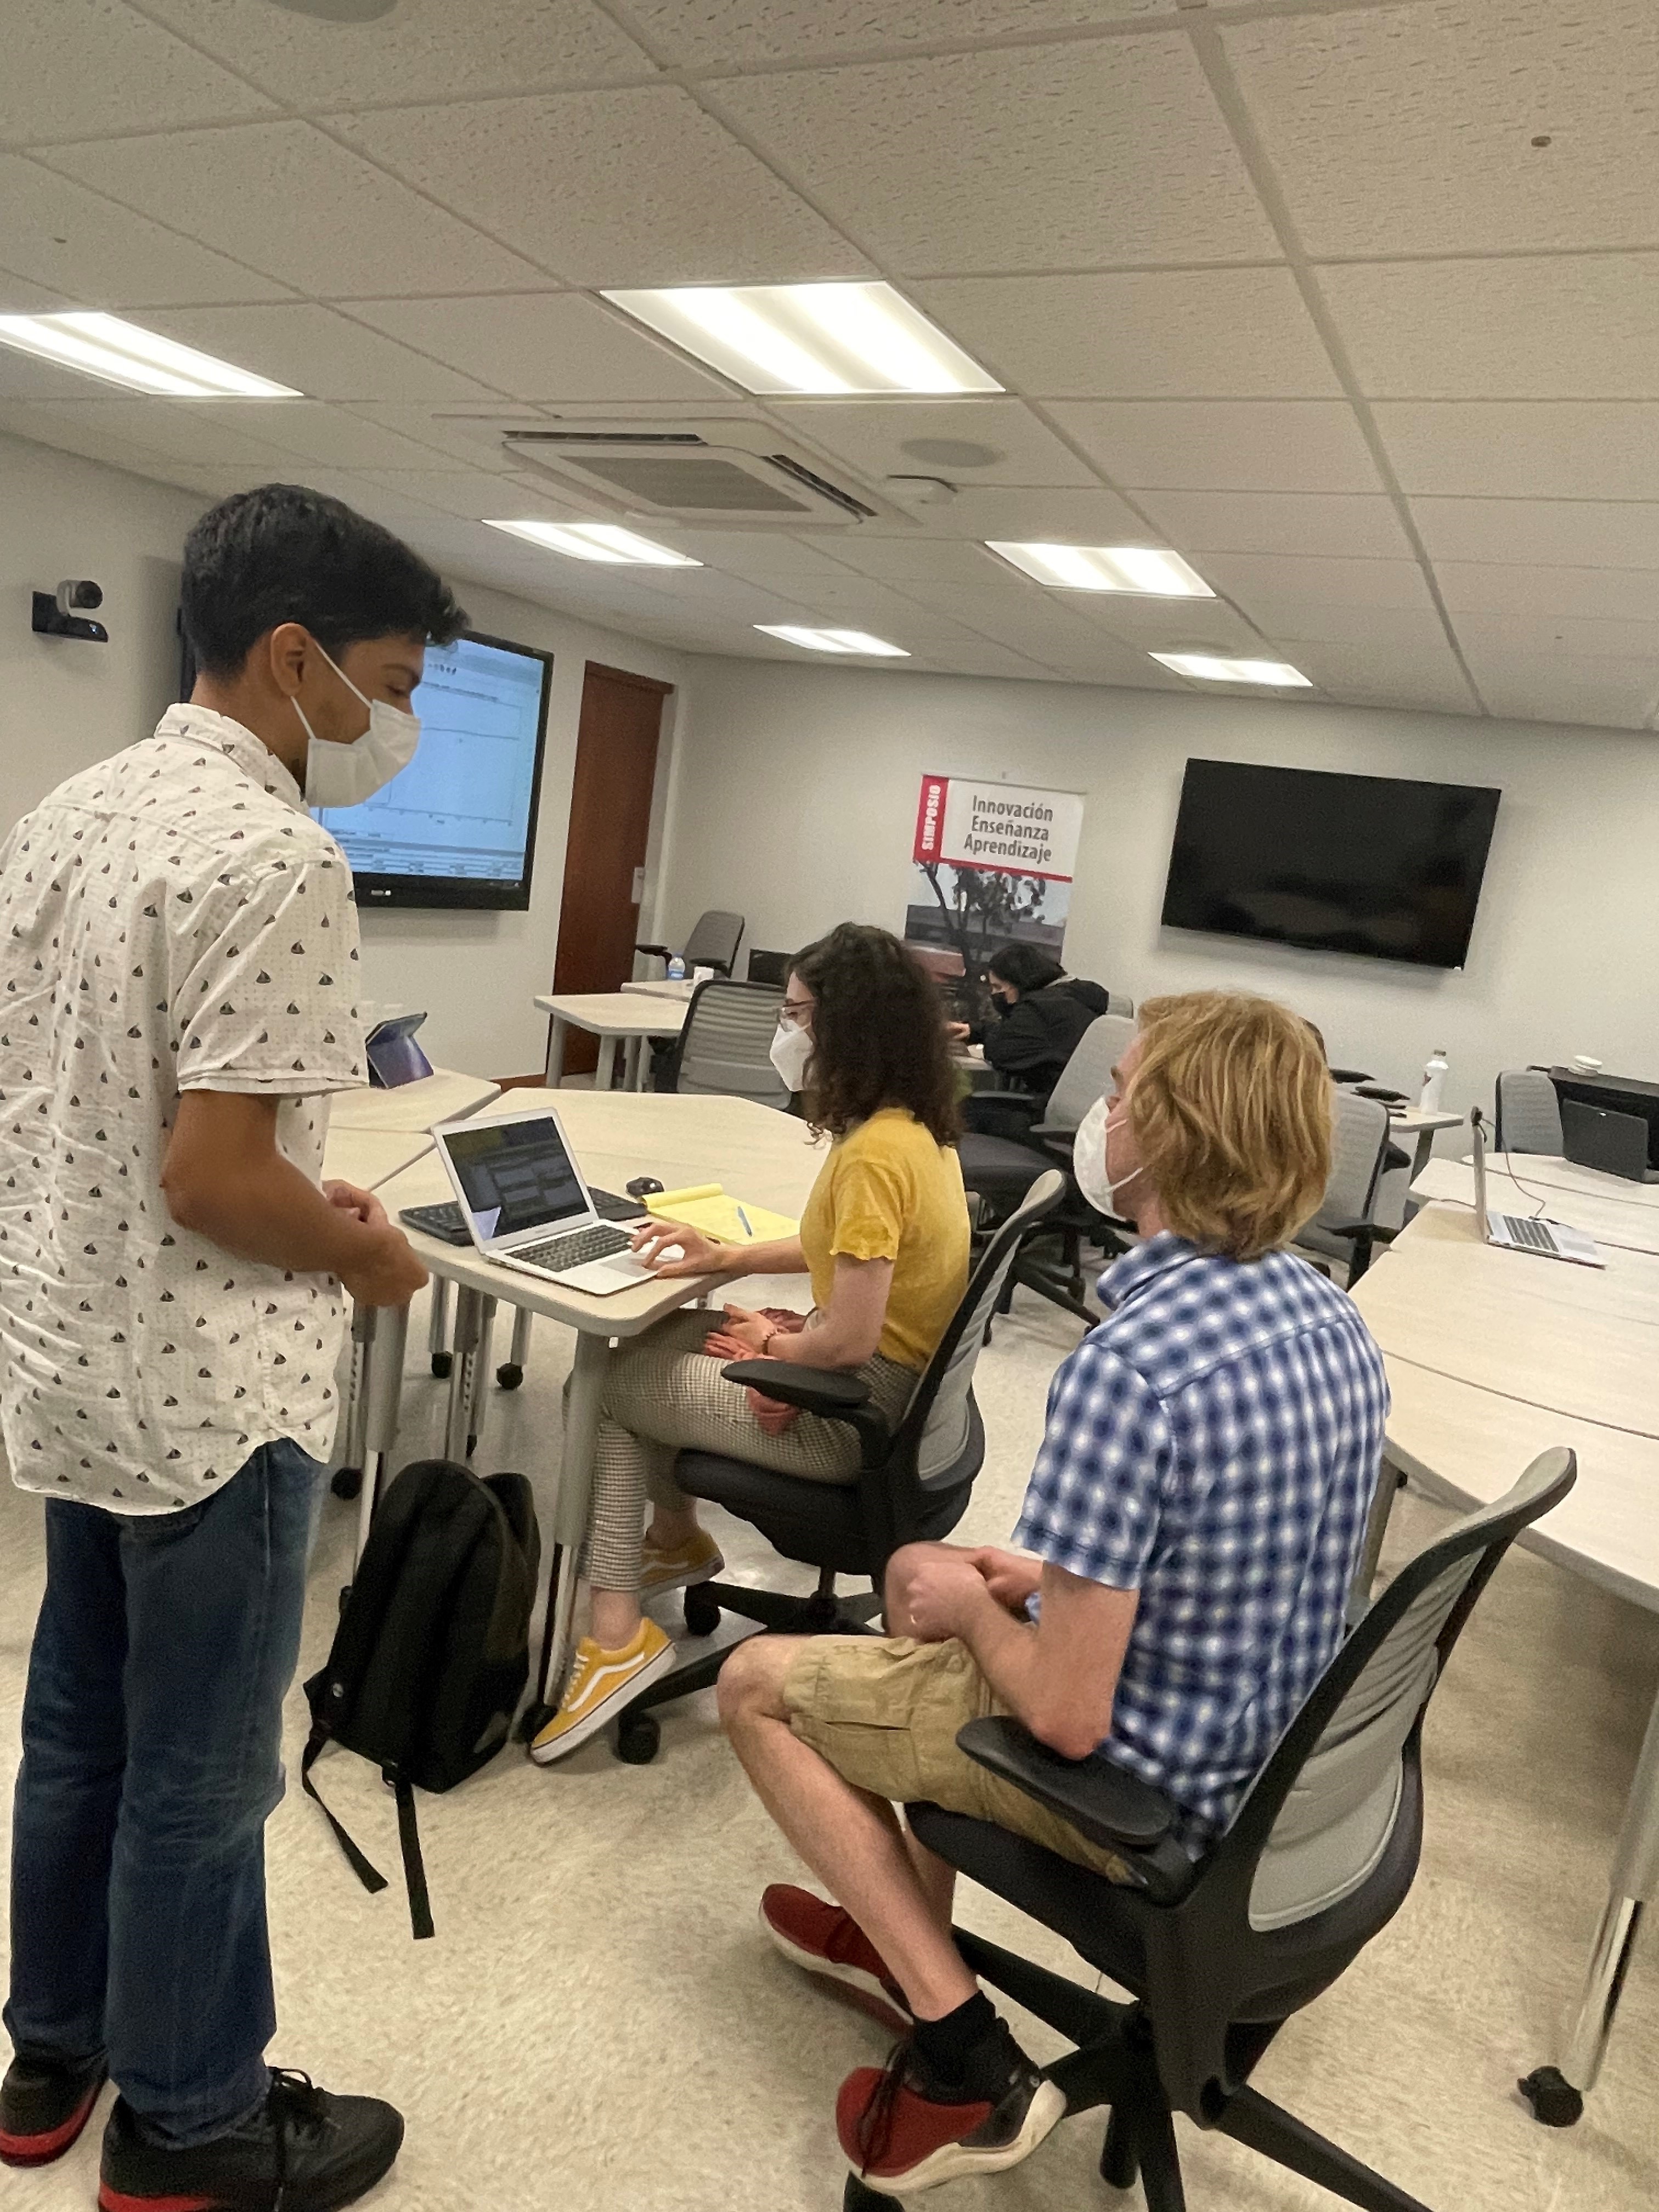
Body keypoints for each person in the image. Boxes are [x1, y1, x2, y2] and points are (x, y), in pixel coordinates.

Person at [718, 990, 1390, 2195]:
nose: (1104, 1112)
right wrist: (1034, 1577)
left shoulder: (1132, 1368)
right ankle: (901, 1936)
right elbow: (1251, 1555)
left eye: (1126, 1093)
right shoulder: (1337, 1323)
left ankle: (963, 2055)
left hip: (1146, 1791)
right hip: (1273, 1774)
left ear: (1173, 1135)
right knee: (915, 1643)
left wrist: (974, 1605)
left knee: (761, 1685)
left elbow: (1068, 1721)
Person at [0, 484, 461, 2208]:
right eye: (391, 682)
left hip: (67, 1364)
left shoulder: (66, 816)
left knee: (78, 1736)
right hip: (211, 1398)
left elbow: (59, 1110)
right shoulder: (277, 854)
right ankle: (190, 2127)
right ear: (293, 660)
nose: (394, 725)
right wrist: (367, 1257)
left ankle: (51, 2060)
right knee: (199, 1776)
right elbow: (217, 1177)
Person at [531, 923, 972, 1764]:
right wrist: (725, 1258)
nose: (787, 1033)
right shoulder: (913, 1131)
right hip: (899, 1397)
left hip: (854, 1409)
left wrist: (777, 1343)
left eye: (799, 1015)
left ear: (848, 1029)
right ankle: (675, 1539)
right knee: (666, 1331)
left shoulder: (874, 1154)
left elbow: (846, 1338)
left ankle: (618, 1637)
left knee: (605, 1389)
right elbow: (843, 1251)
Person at [947, 944, 1110, 1138]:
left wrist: (982, 1036)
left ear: (1018, 981)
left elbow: (1003, 1051)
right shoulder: (1071, 999)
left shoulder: (1040, 1008)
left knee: (962, 1112)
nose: (994, 995)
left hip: (1047, 1118)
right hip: (1075, 1117)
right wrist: (974, 1031)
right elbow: (1018, 1034)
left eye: (998, 987)